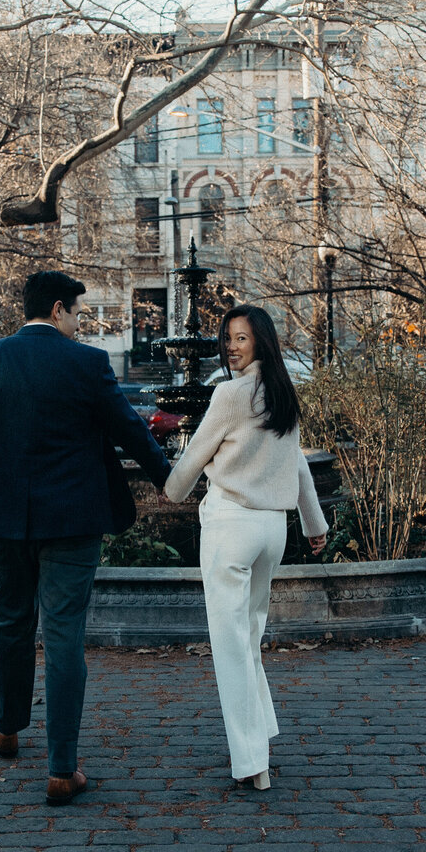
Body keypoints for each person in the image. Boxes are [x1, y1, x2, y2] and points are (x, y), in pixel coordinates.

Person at [0, 270, 171, 806]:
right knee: (64, 636)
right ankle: (62, 766)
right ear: (58, 309)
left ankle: (8, 726)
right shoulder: (86, 364)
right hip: (75, 521)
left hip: (4, 520)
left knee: (10, 620)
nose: (80, 325)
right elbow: (129, 429)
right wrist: (170, 480)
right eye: (79, 314)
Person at [163, 304, 328, 790]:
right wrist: (313, 522)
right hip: (272, 531)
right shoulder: (283, 392)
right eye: (229, 338)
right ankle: (263, 732)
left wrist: (170, 491)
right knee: (249, 638)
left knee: (230, 647)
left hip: (232, 527)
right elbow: (296, 463)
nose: (232, 347)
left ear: (261, 341)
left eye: (242, 338)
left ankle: (252, 760)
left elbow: (197, 452)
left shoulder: (231, 394)